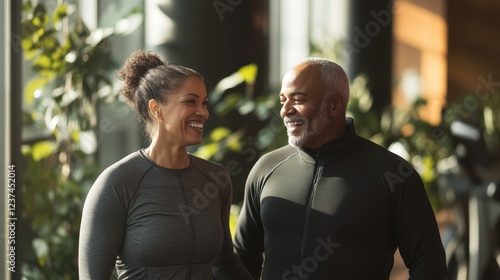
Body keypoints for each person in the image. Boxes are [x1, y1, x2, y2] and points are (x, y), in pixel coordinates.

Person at [233, 57, 447, 279]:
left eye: (298, 99)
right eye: (283, 100)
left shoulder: (392, 174)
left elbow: (429, 265)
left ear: (334, 105)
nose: (285, 111)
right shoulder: (266, 169)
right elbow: (241, 259)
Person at [78, 50, 253, 280]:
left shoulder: (216, 178)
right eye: (190, 101)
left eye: (204, 103)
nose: (203, 112)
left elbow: (225, 263)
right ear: (156, 108)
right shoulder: (117, 183)